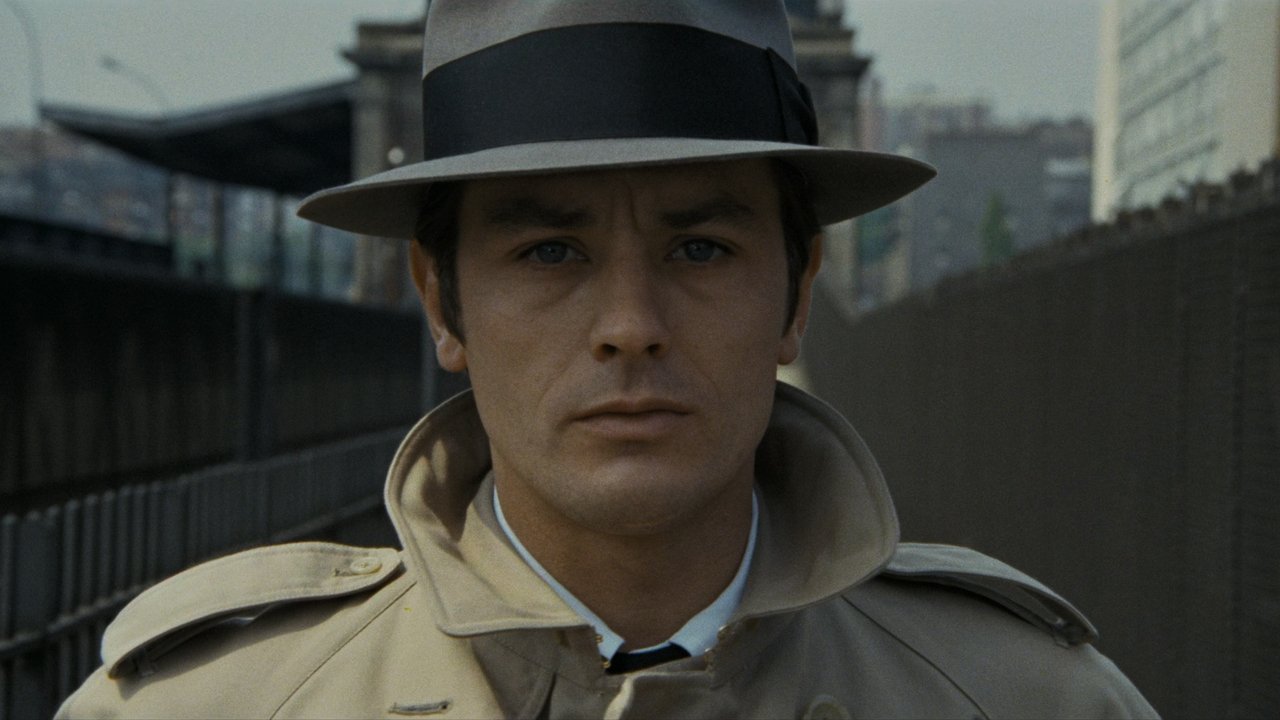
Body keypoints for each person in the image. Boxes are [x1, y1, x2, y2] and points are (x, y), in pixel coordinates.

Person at [58, 2, 1158, 718]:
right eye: (550, 251)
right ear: (441, 298)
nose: (629, 324)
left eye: (699, 247)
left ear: (796, 293)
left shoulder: (1033, 702)